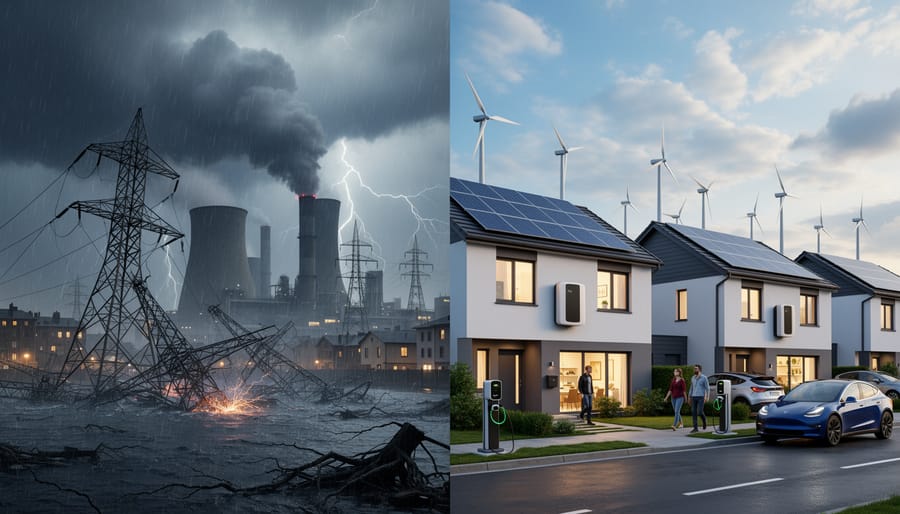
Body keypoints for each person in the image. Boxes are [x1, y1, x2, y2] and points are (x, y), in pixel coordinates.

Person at [689, 364, 710, 433]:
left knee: (700, 412)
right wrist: (689, 396)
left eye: (696, 368)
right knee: (694, 412)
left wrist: (707, 397)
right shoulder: (692, 378)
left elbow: (707, 388)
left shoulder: (704, 378)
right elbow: (691, 388)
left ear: (699, 370)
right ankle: (695, 428)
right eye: (694, 368)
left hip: (701, 397)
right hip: (694, 397)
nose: (694, 370)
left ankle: (704, 421)